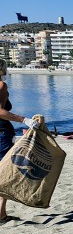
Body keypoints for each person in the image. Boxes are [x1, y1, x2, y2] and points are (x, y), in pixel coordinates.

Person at [0, 60, 36, 223]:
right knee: (5, 171)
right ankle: (1, 214)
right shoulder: (1, 85)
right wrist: (24, 120)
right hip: (1, 133)